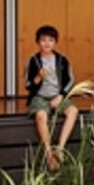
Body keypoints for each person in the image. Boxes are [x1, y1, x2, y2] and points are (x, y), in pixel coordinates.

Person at [25, 25, 79, 172]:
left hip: (58, 95)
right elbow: (28, 84)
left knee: (72, 111)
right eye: (43, 40)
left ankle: (60, 148)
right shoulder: (33, 61)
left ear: (55, 42)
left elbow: (70, 81)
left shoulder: (62, 60)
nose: (47, 43)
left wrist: (61, 95)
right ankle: (49, 154)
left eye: (51, 40)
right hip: (40, 96)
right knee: (41, 115)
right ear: (37, 42)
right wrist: (38, 77)